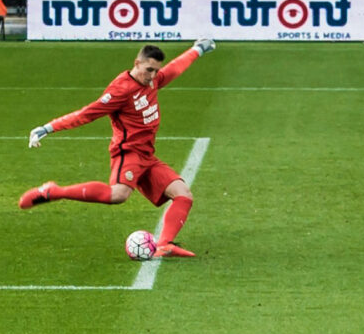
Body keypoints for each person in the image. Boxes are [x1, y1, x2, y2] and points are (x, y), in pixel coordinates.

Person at [18, 40, 216, 259]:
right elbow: (87, 113)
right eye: (149, 69)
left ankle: (164, 245)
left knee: (183, 195)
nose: (152, 75)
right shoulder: (121, 90)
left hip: (147, 155)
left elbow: (174, 68)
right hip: (128, 153)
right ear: (137, 63)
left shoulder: (152, 81)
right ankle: (54, 191)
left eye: (156, 71)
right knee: (118, 194)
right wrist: (49, 127)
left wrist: (197, 49)